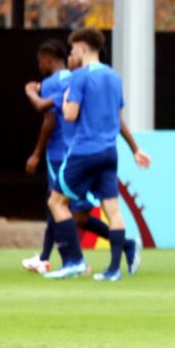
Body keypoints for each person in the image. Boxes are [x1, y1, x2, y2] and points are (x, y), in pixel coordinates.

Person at [44, 28, 151, 281]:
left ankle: (75, 261)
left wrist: (68, 98)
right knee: (113, 210)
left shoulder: (79, 77)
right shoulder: (114, 78)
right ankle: (114, 270)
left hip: (83, 151)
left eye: (73, 49)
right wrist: (135, 149)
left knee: (56, 203)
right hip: (109, 152)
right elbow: (118, 118)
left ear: (82, 47)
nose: (72, 54)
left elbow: (69, 115)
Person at [21, 40, 114, 274]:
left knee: (58, 205)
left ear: (48, 58)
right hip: (80, 149)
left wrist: (31, 92)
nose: (39, 64)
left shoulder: (55, 81)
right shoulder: (76, 78)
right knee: (76, 212)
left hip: (61, 153)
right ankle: (53, 257)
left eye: (40, 60)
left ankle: (74, 261)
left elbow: (48, 117)